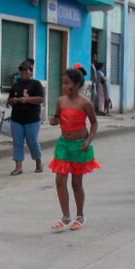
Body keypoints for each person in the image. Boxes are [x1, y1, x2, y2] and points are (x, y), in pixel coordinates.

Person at [48, 68, 100, 231]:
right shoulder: (61, 101)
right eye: (63, 83)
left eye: (67, 83)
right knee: (59, 180)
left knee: (76, 183)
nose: (64, 87)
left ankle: (80, 216)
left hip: (79, 145)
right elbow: (57, 117)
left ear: (77, 84)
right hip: (64, 144)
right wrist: (54, 120)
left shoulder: (85, 103)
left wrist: (88, 140)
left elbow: (94, 123)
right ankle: (65, 217)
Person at [7, 60, 45, 175]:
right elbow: (9, 100)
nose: (24, 72)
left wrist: (27, 99)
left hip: (32, 119)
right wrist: (13, 101)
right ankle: (18, 166)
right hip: (17, 119)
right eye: (22, 70)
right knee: (17, 142)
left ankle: (38, 161)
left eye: (26, 70)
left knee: (32, 141)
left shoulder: (36, 84)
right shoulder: (16, 85)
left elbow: (41, 99)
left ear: (31, 72)